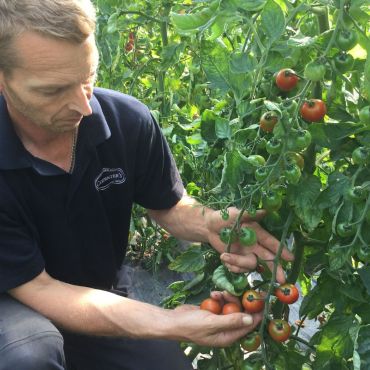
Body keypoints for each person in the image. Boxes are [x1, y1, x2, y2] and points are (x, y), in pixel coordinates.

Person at [0, 1, 294, 369]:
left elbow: (168, 205)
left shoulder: (125, 120)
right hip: (13, 303)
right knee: (30, 356)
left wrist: (208, 222)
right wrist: (168, 322)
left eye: (88, 76)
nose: (83, 106)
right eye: (52, 90)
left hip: (97, 295)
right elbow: (39, 289)